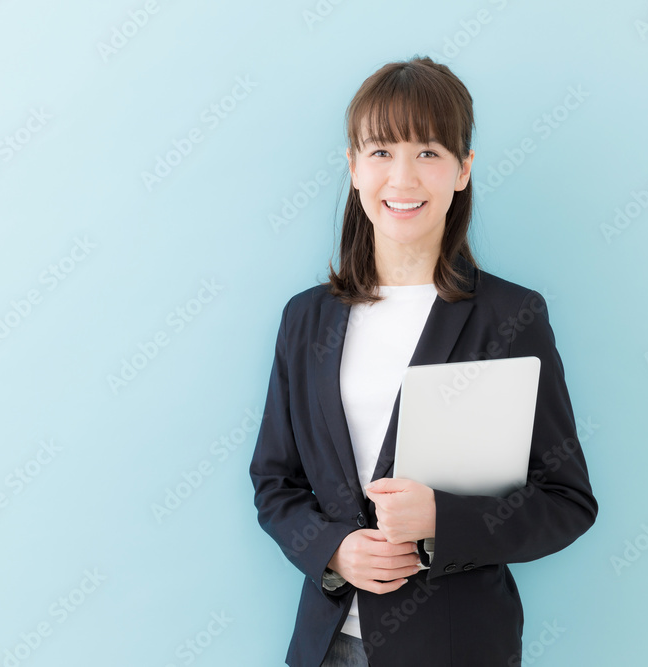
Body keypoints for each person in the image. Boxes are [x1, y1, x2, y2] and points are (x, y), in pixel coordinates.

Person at [248, 56, 598, 667]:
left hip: (455, 646)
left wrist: (442, 519)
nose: (402, 178)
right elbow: (275, 483)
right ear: (354, 168)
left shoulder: (510, 317)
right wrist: (333, 549)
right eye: (381, 152)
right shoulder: (305, 320)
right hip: (326, 645)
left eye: (429, 152)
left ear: (463, 170)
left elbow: (565, 501)